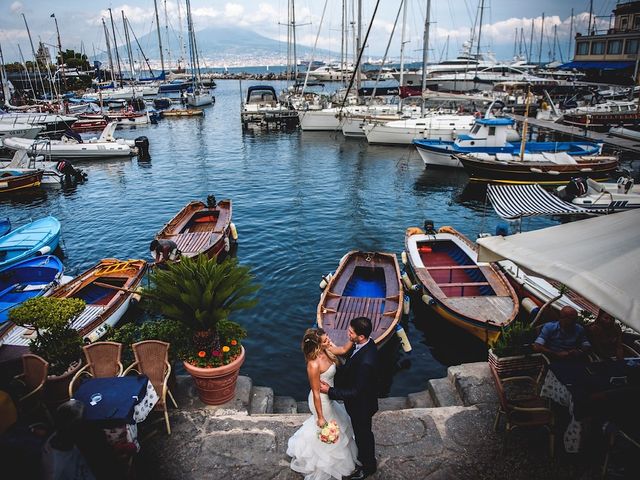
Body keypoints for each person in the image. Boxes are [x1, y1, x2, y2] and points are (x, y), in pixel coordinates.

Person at [286, 328, 358, 480]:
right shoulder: (313, 365)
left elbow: (344, 349)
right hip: (320, 401)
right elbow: (317, 393)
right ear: (317, 345)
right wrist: (319, 416)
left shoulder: (327, 349)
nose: (329, 341)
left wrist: (354, 337)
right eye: (325, 340)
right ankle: (326, 462)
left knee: (340, 423)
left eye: (327, 338)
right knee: (328, 428)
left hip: (330, 397)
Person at [320, 317, 378, 480]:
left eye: (351, 332)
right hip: (363, 399)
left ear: (361, 336)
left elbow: (356, 392)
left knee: (363, 435)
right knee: (362, 434)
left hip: (362, 406)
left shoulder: (366, 361)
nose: (348, 333)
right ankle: (364, 459)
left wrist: (330, 391)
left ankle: (368, 467)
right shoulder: (367, 342)